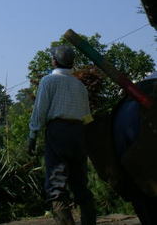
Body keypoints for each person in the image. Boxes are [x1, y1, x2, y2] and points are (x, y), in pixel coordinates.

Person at [28, 45, 96, 225]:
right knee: (80, 184)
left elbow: (40, 111)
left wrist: (33, 136)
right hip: (79, 133)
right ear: (71, 62)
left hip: (58, 133)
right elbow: (87, 116)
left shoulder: (48, 81)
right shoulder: (80, 86)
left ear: (54, 61)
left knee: (56, 185)